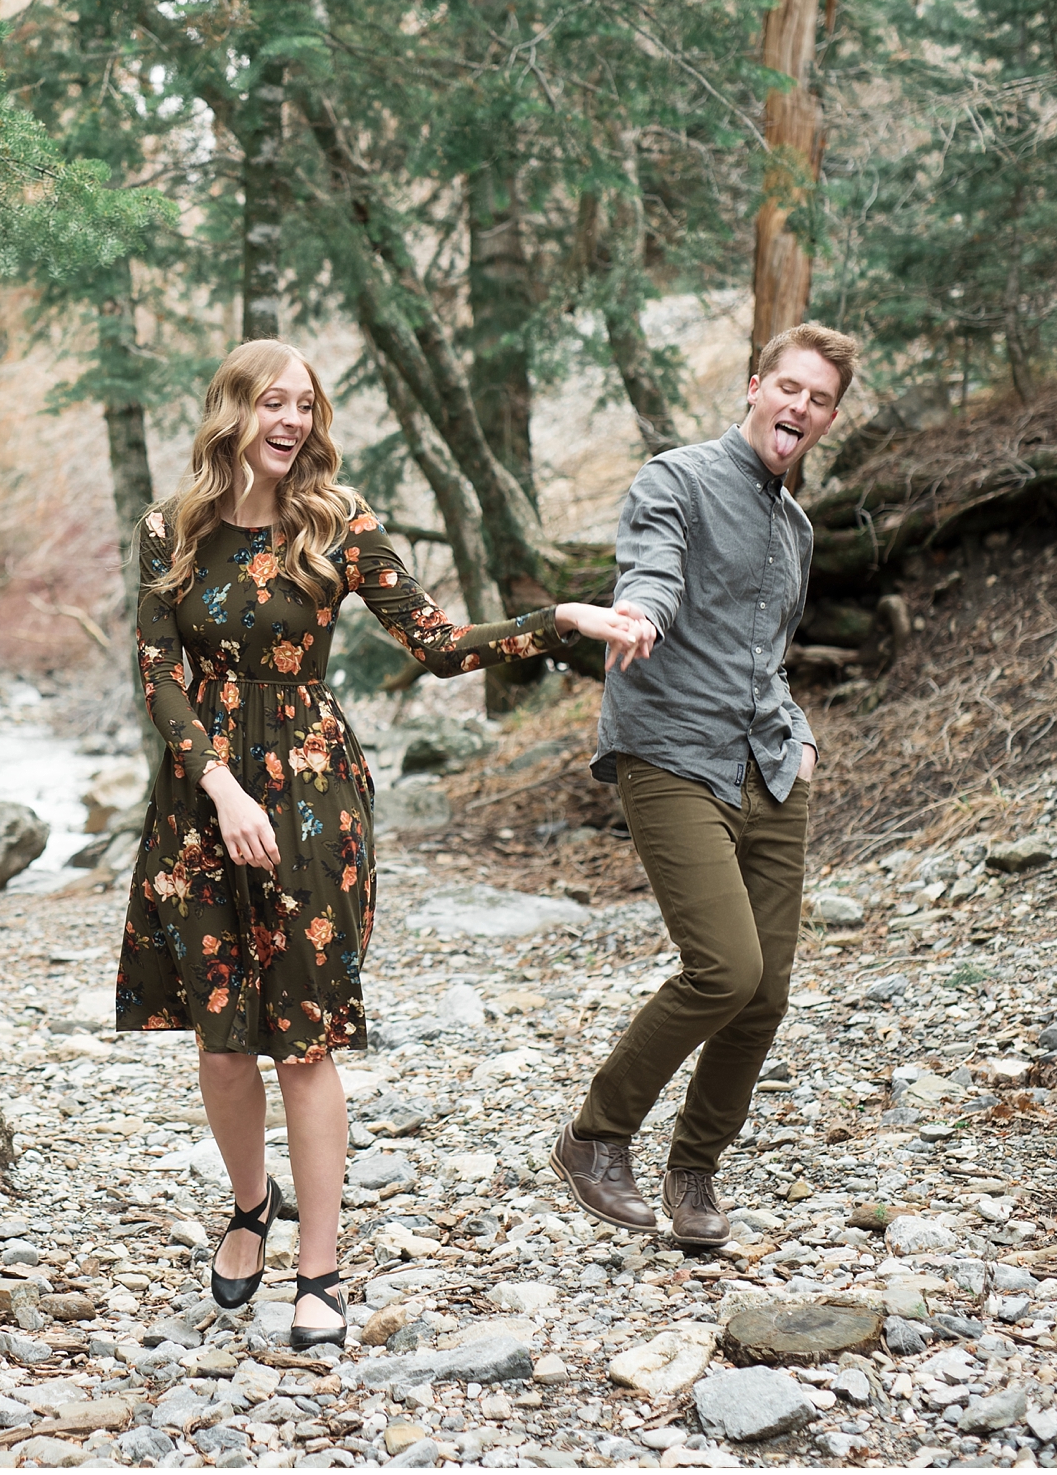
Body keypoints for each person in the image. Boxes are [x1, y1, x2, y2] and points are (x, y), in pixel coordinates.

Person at [115, 338, 649, 1346]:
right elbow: (158, 677)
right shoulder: (168, 529)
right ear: (231, 410)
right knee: (224, 1044)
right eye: (272, 403)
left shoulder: (337, 523)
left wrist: (563, 619)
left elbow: (441, 647)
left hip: (313, 794)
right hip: (201, 798)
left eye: (304, 407)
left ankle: (317, 1272)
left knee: (302, 1040)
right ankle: (247, 1207)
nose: (291, 423)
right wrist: (220, 787)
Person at [548, 322, 857, 1247]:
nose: (800, 406)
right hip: (671, 752)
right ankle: (594, 1138)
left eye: (821, 399)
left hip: (769, 763)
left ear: (829, 419)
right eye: (789, 387)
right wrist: (637, 614)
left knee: (764, 995)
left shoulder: (796, 527)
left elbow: (770, 653)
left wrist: (798, 736)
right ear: (755, 389)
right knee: (724, 968)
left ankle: (694, 1177)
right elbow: (653, 570)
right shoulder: (674, 479)